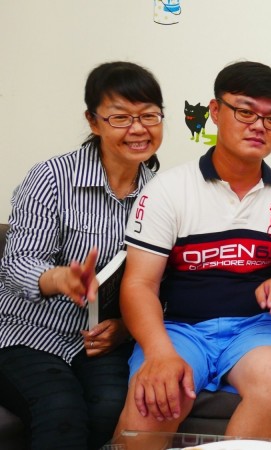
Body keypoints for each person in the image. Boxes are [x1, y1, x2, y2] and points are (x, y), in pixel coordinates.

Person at [113, 61, 271, 441]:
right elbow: (139, 284)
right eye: (245, 112)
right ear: (215, 111)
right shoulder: (168, 190)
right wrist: (159, 353)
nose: (259, 126)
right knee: (156, 398)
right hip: (179, 328)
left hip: (257, 327)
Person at [0, 61, 163, 450]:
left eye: (149, 115)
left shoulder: (163, 194)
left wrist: (124, 327)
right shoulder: (51, 178)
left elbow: (164, 284)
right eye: (120, 117)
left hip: (101, 342)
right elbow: (17, 263)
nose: (138, 129)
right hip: (27, 333)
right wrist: (60, 278)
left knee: (110, 410)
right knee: (60, 410)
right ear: (93, 122)